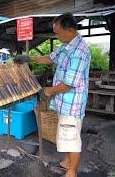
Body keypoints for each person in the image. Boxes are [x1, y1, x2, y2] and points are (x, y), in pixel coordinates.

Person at [32, 13, 91, 177]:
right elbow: (50, 58)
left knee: (71, 137)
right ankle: (66, 162)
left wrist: (47, 91)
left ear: (70, 30)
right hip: (63, 102)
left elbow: (69, 83)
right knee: (65, 133)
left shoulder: (80, 51)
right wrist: (29, 58)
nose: (56, 36)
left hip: (72, 103)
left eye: (58, 33)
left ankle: (72, 172)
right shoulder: (67, 45)